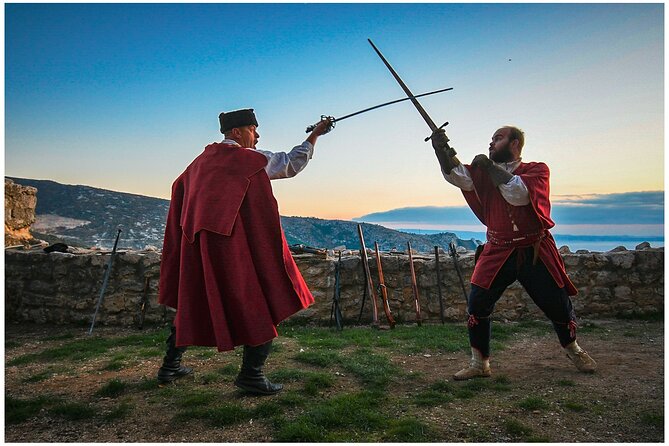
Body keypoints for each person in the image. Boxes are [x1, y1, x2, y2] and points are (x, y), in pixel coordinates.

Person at [156, 109, 332, 394]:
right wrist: (315, 135)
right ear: (237, 132)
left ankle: (169, 366)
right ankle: (251, 376)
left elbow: (179, 188)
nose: (258, 135)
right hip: (233, 250)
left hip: (199, 249)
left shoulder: (199, 163)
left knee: (193, 301)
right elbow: (292, 163)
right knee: (260, 300)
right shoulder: (250, 160)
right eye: (253, 129)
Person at [431, 126, 597, 380]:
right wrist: (440, 148)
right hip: (497, 248)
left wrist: (487, 167)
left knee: (557, 304)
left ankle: (573, 349)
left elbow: (518, 194)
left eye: (497, 139)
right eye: (491, 139)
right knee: (477, 303)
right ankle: (479, 364)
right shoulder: (482, 172)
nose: (491, 143)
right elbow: (457, 174)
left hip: (534, 249)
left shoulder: (537, 170)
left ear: (515, 143)